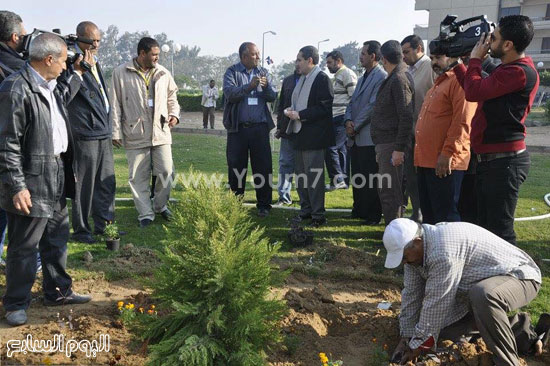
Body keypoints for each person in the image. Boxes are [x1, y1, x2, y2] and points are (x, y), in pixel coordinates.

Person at [0, 33, 93, 326]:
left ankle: (58, 291)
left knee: (56, 237)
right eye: (64, 60)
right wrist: (17, 185)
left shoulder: (50, 86)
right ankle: (15, 303)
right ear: (49, 59)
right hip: (30, 177)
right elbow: (7, 142)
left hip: (56, 171)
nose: (67, 66)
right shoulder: (16, 89)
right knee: (24, 245)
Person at [383, 219, 548, 366]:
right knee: (442, 332)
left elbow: (437, 302)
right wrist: (406, 337)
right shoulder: (415, 255)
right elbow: (411, 294)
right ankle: (522, 332)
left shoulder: (443, 251)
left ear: (417, 242)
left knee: (483, 294)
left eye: (404, 257)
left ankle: (507, 362)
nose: (404, 262)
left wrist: (417, 346)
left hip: (520, 277)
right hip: (476, 289)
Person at [454, 15, 540, 245]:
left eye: (494, 37)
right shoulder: (507, 70)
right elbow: (476, 88)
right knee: (484, 226)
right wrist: (459, 64)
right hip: (492, 160)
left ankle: (512, 278)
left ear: (508, 45)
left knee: (500, 232)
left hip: (505, 162)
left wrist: (474, 60)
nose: (488, 41)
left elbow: (474, 91)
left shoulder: (520, 72)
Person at [111, 37, 180, 228]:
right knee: (138, 176)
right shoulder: (120, 73)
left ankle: (160, 205)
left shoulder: (164, 73)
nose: (157, 58)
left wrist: (174, 114)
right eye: (154, 55)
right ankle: (145, 214)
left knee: (167, 171)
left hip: (161, 131)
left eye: (158, 54)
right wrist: (115, 131)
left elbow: (172, 97)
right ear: (142, 53)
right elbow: (115, 104)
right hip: (135, 132)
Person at [0, 10, 42, 272]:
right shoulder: (14, 66)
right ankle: (26, 263)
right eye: (24, 37)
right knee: (13, 210)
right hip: (11, 147)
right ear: (14, 37)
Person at [414, 50, 475, 225]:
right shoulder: (438, 83)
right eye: (432, 58)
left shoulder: (459, 81)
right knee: (430, 216)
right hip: (426, 160)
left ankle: (449, 252)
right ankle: (433, 252)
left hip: (445, 161)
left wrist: (447, 153)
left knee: (446, 218)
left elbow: (462, 121)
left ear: (453, 57)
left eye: (438, 58)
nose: (434, 62)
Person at [67, 21, 116, 243]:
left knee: (106, 182)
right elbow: (66, 93)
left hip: (103, 130)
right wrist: (80, 69)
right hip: (84, 133)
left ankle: (105, 225)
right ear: (78, 38)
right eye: (91, 41)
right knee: (84, 185)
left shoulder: (95, 60)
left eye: (98, 41)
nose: (95, 45)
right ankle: (82, 230)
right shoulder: (70, 61)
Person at [223, 42, 276, 217]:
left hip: (260, 129)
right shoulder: (232, 72)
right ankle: (236, 204)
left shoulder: (263, 72)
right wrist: (250, 86)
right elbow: (230, 94)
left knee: (263, 167)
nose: (258, 57)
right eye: (254, 54)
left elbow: (273, 96)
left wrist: (266, 86)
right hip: (238, 129)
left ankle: (264, 205)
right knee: (236, 168)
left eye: (258, 54)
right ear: (244, 57)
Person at [285, 46, 334, 227]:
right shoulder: (303, 79)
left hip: (314, 137)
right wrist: (292, 111)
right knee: (301, 177)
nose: (296, 63)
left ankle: (318, 215)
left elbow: (324, 108)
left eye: (299, 60)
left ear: (310, 61)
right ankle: (305, 210)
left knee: (313, 178)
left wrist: (300, 115)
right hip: (300, 135)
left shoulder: (321, 79)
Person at [370, 40, 414, 225]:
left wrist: (398, 149)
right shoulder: (398, 76)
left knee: (391, 192)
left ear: (384, 59)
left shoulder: (399, 78)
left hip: (392, 145)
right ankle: (395, 231)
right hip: (388, 143)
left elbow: (406, 116)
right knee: (391, 191)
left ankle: (395, 234)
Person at [344, 41, 386, 225]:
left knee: (370, 178)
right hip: (355, 136)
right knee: (358, 175)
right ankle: (359, 209)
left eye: (363, 53)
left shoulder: (381, 77)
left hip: (368, 136)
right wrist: (347, 121)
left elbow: (373, 106)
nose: (360, 56)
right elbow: (351, 102)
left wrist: (356, 125)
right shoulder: (362, 78)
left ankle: (372, 214)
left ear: (373, 56)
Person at [401, 35, 435, 222]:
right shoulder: (409, 70)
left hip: (427, 134)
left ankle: (428, 215)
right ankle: (417, 212)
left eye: (406, 52)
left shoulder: (430, 67)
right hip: (410, 134)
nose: (403, 56)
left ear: (419, 48)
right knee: (411, 178)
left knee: (425, 177)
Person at [325, 50, 356, 190]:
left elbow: (355, 98)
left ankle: (338, 179)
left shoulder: (347, 74)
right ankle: (342, 180)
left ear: (338, 61)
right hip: (336, 116)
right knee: (341, 150)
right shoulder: (338, 75)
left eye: (330, 63)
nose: (327, 66)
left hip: (341, 116)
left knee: (330, 148)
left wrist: (349, 118)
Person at [275, 63, 300, 206]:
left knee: (303, 165)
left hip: (305, 129)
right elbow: (281, 105)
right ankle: (284, 197)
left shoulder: (314, 80)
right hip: (287, 130)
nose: (297, 63)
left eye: (300, 60)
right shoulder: (288, 80)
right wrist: (280, 126)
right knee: (285, 163)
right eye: (296, 60)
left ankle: (306, 199)